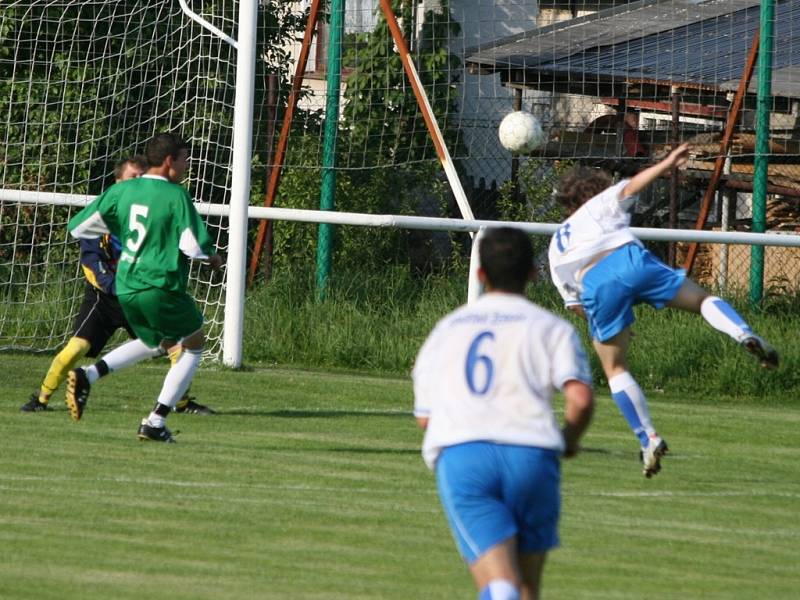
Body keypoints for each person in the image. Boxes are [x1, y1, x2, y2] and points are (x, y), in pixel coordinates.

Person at [548, 143, 779, 478]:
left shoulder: (556, 244)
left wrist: (613, 326)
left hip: (595, 283)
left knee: (614, 368)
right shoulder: (598, 204)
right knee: (701, 301)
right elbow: (631, 185)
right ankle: (742, 332)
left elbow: (574, 305)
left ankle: (649, 437)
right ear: (592, 191)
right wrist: (668, 163)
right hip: (630, 258)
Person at [413, 227, 594, 600]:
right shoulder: (552, 328)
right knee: (527, 588)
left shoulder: (446, 330)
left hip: (465, 455)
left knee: (499, 585)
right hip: (533, 453)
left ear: (480, 274)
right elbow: (580, 398)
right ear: (533, 272)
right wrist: (569, 441)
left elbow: (425, 417)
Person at [21, 156, 214, 417]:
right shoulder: (104, 219)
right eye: (132, 177)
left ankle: (181, 402)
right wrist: (114, 285)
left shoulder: (150, 218)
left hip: (134, 293)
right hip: (105, 300)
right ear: (118, 182)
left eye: (141, 176)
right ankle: (42, 398)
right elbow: (89, 258)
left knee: (172, 345)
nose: (138, 182)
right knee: (76, 349)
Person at [65, 132, 223, 442]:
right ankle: (156, 420)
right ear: (169, 162)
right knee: (194, 343)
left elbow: (79, 227)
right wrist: (213, 257)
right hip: (158, 283)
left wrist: (124, 227)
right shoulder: (176, 195)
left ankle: (88, 375)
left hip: (126, 285)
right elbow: (194, 247)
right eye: (185, 160)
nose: (188, 166)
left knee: (158, 342)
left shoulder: (122, 191)